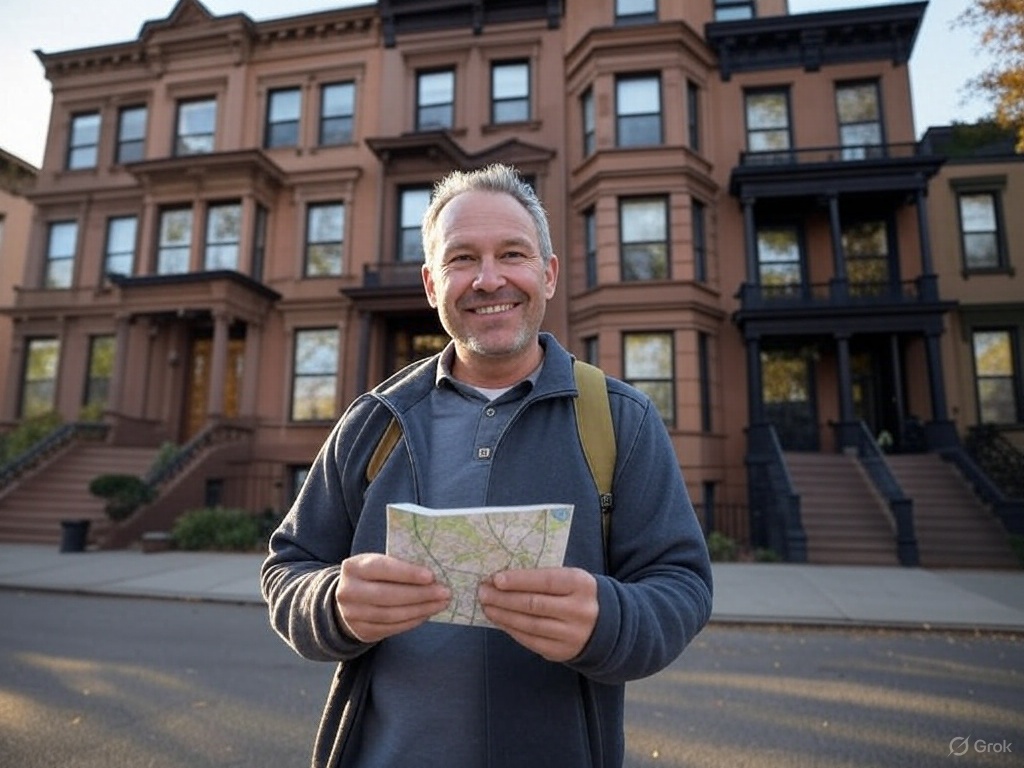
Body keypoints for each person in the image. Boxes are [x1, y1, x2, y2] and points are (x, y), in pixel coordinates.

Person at [261, 163, 713, 768]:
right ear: (431, 284)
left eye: (513, 254)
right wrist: (332, 604)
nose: (489, 279)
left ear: (548, 275)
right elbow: (288, 567)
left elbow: (681, 583)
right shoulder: (375, 421)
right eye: (461, 259)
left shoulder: (621, 420)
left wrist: (610, 620)